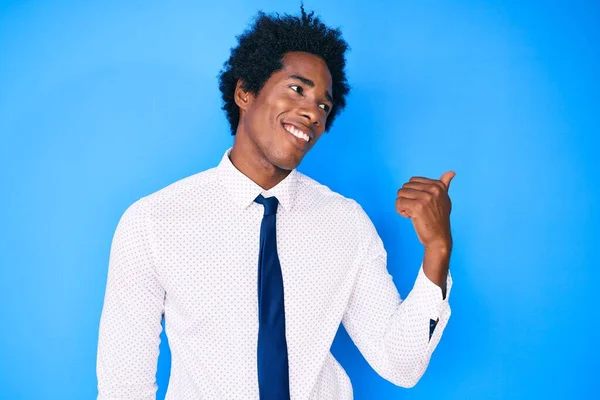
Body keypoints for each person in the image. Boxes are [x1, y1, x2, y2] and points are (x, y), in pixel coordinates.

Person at [96, 5, 455, 400]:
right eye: (297, 89)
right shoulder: (154, 222)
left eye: (323, 105)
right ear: (244, 92)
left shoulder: (345, 223)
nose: (311, 112)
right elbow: (123, 387)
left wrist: (437, 250)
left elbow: (400, 364)